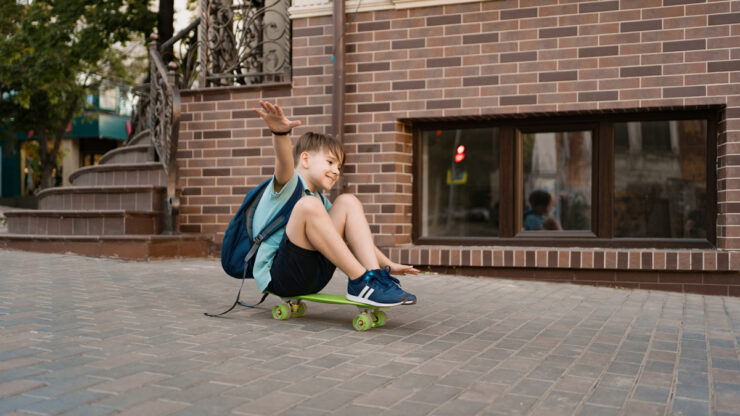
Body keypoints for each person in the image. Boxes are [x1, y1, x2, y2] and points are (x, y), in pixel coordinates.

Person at [251, 101, 418, 306]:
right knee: (308, 206)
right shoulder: (287, 185)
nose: (337, 171)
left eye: (339, 166)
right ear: (305, 160)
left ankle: (374, 278)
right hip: (281, 278)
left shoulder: (321, 203)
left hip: (314, 277)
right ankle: (361, 281)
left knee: (348, 201)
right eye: (330, 162)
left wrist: (388, 265)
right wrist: (280, 134)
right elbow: (284, 162)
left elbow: (355, 238)